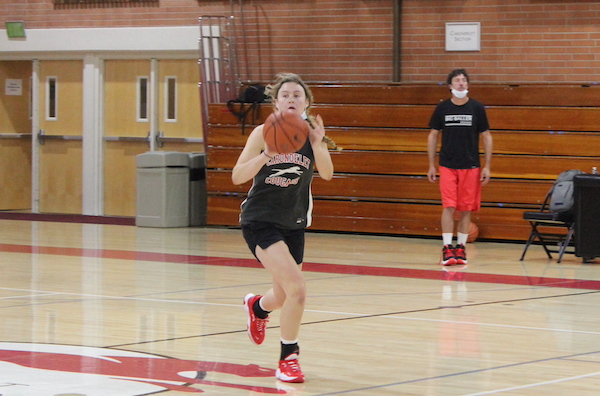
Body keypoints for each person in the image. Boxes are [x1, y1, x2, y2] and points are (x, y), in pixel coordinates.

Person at [231, 73, 335, 383]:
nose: (291, 99)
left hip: (294, 224)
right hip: (260, 221)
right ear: (276, 102)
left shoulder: (311, 136)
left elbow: (328, 174)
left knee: (283, 295)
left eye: (297, 95)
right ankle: (288, 359)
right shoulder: (264, 133)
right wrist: (265, 156)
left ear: (306, 103)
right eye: (286, 95)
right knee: (298, 290)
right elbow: (237, 176)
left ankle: (259, 308)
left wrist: (317, 145)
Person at [427, 69, 493, 266]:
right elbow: (433, 135)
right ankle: (448, 248)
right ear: (450, 86)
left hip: (471, 165)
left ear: (468, 85)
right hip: (447, 164)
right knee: (449, 205)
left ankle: (461, 248)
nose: (461, 83)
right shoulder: (442, 108)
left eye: (464, 80)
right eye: (457, 80)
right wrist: (431, 164)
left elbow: (487, 136)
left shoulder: (477, 108)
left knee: (466, 209)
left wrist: (487, 166)